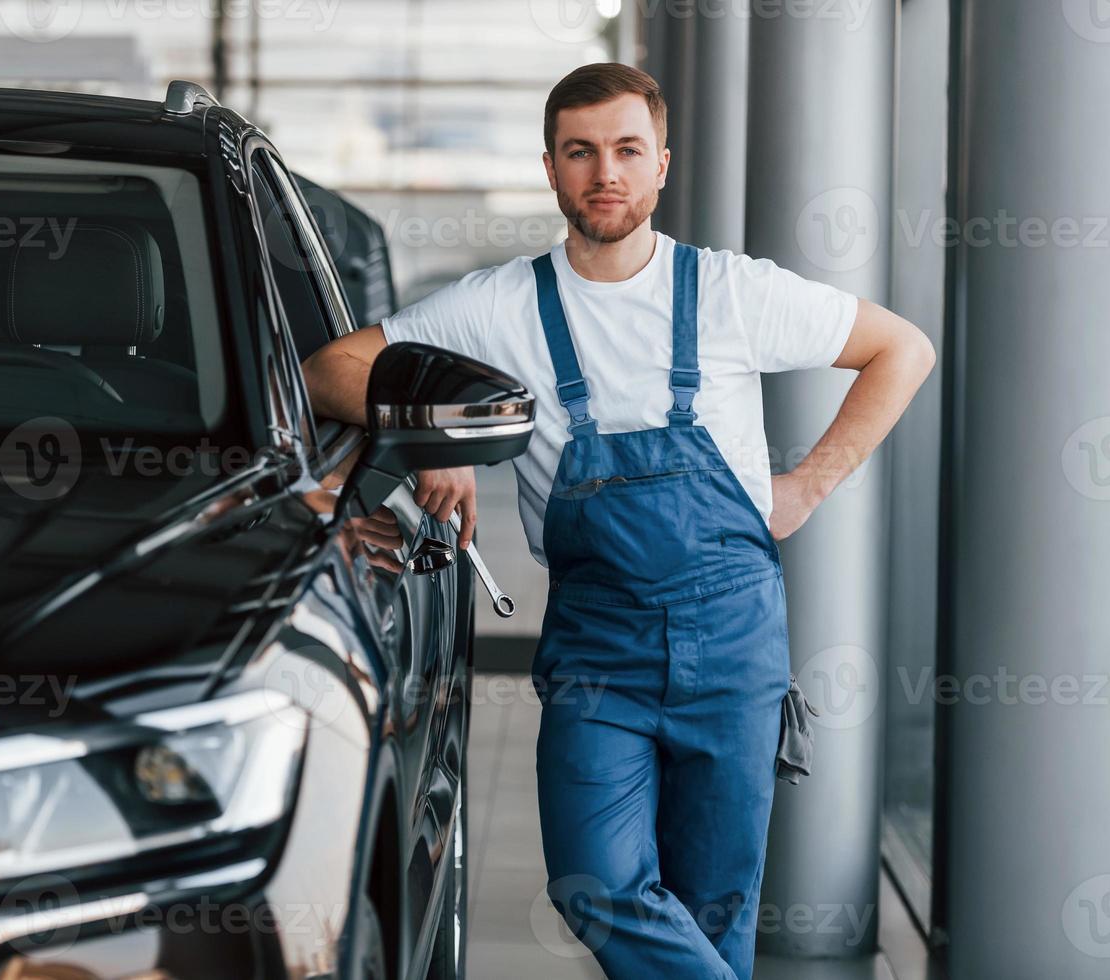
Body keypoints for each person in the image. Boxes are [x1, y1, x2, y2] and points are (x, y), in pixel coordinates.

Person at [300, 62, 935, 980]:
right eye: (582, 152)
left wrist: (805, 488)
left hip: (734, 643)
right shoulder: (498, 306)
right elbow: (332, 371)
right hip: (600, 646)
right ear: (552, 168)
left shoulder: (729, 291)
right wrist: (433, 431)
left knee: (716, 915)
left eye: (628, 150)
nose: (607, 171)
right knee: (594, 886)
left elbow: (899, 350)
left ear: (662, 165)